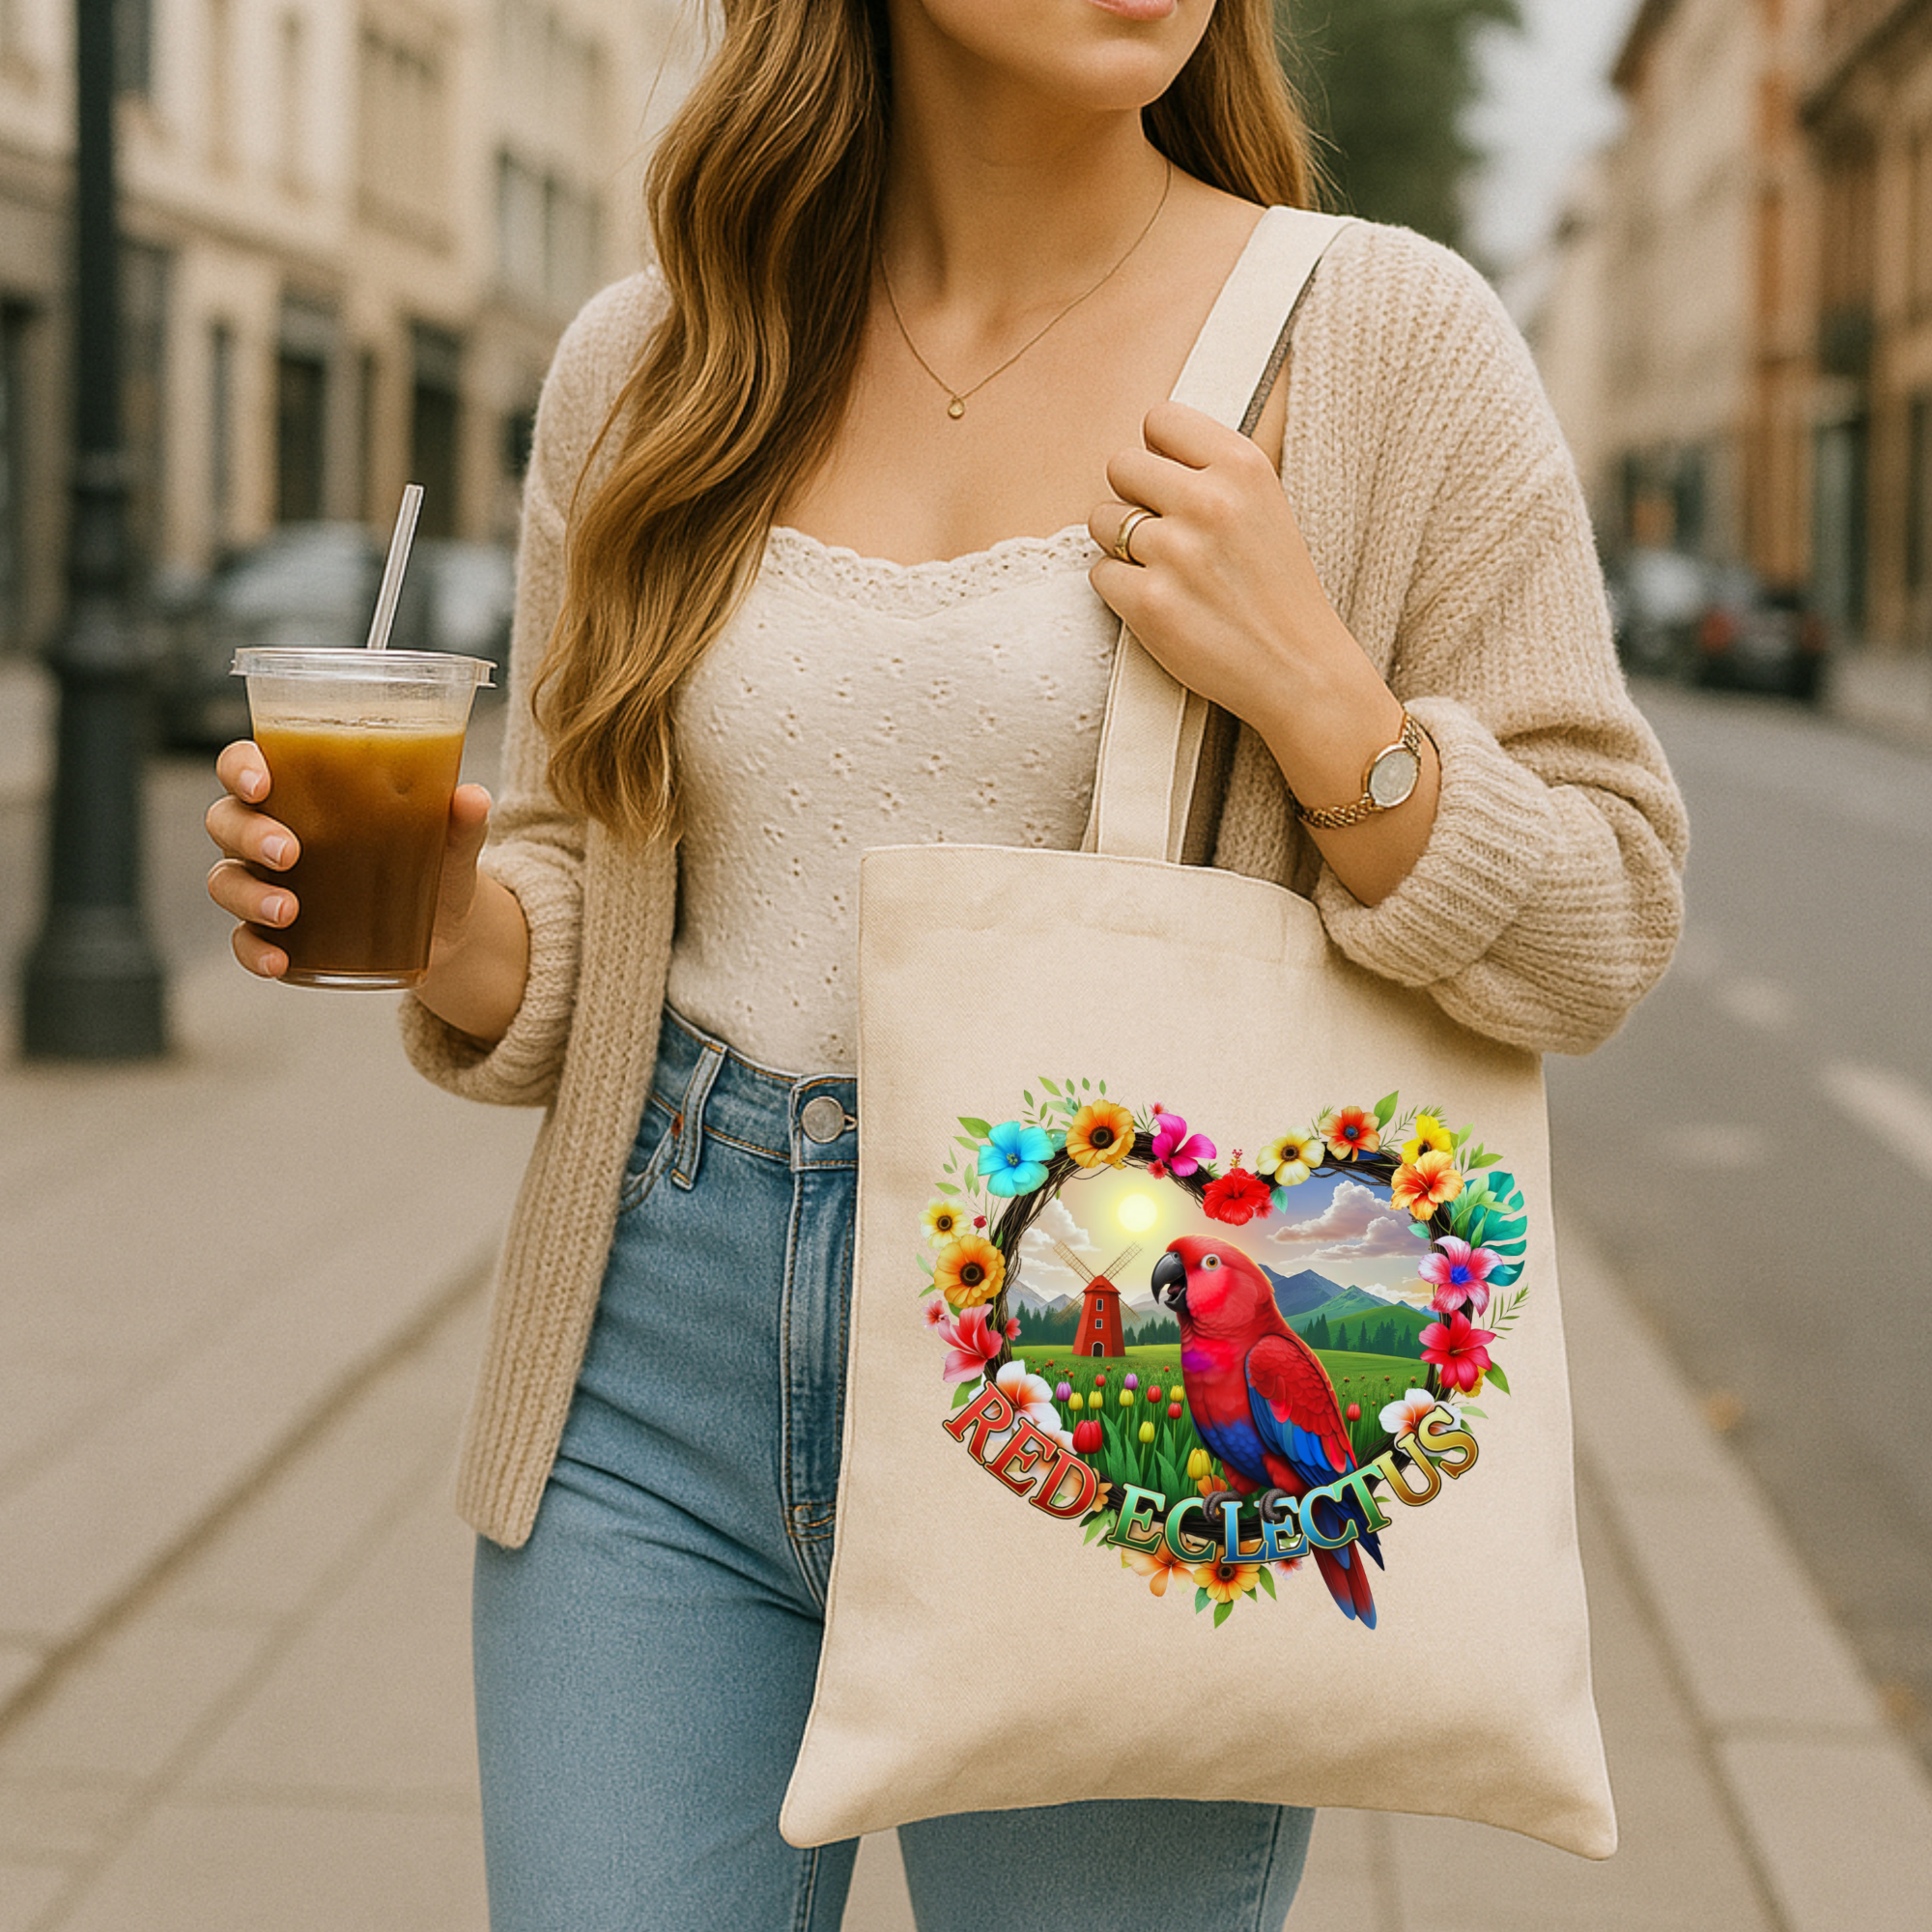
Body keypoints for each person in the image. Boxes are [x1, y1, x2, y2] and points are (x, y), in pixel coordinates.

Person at [205, 2, 1688, 1925]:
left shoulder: (1382, 341)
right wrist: (450, 932)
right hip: (652, 1361)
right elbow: (584, 892)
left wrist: (1330, 707)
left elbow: (1606, 914)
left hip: (1125, 1362)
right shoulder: (653, 364)